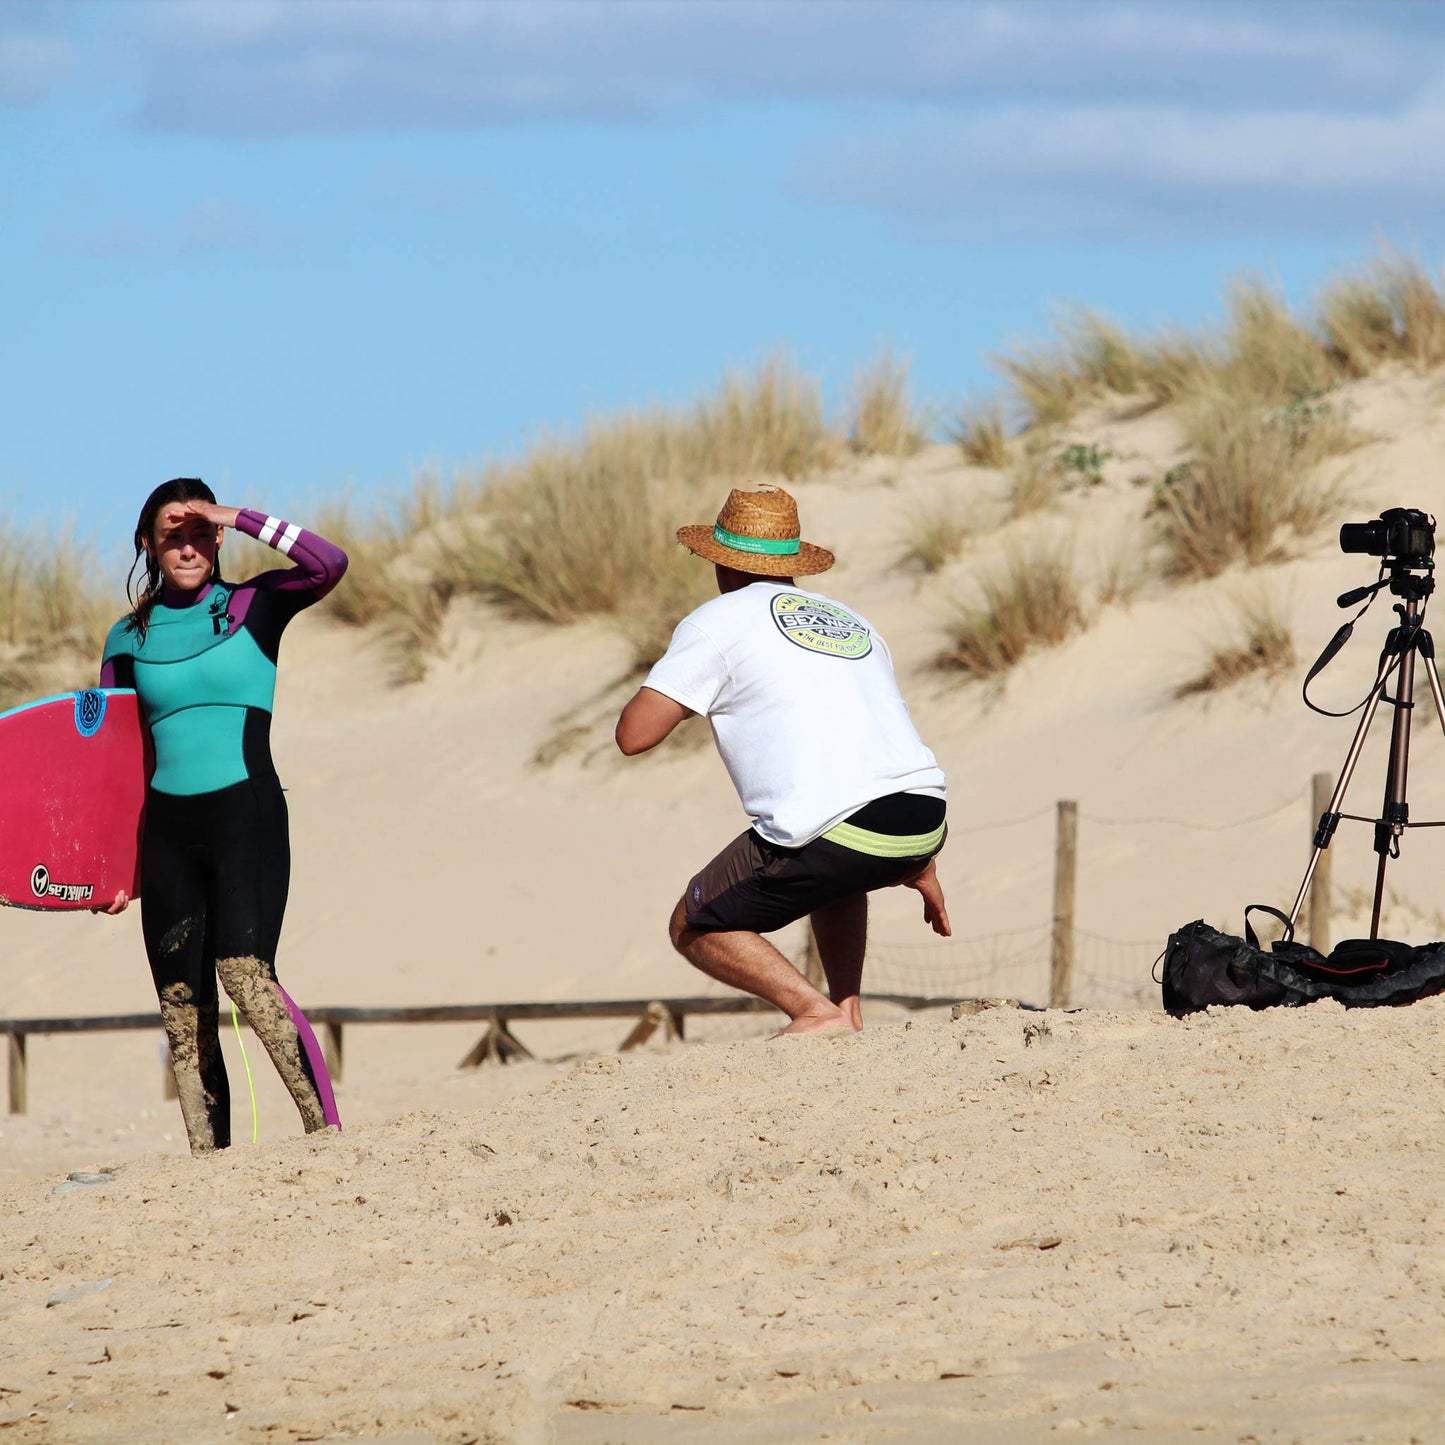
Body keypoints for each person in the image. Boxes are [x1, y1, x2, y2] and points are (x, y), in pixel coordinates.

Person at [615, 484, 950, 1036]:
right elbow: (876, 744)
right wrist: (922, 864)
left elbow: (634, 736)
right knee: (834, 873)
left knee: (693, 924)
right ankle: (847, 1012)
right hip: (923, 817)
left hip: (840, 825)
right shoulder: (852, 619)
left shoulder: (716, 620)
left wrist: (683, 677)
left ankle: (814, 1012)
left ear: (721, 562)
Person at [97, 478, 347, 1152]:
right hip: (167, 835)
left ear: (218, 538)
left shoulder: (253, 604)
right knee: (182, 1007)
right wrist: (110, 869)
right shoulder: (126, 638)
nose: (188, 547)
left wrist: (237, 515)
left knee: (245, 974)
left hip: (245, 816)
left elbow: (329, 563)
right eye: (172, 535)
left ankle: (328, 1137)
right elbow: (116, 764)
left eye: (201, 533)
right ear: (147, 544)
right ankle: (209, 1163)